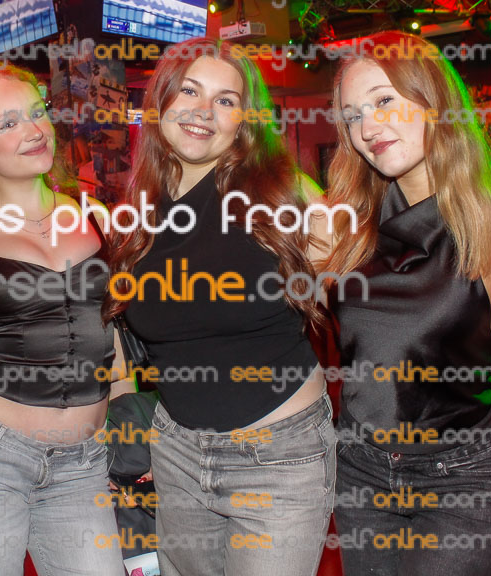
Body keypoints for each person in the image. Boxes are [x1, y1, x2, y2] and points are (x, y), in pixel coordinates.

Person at [319, 30, 491, 576]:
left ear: (435, 99)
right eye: (353, 116)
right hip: (361, 476)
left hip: (467, 480)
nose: (368, 127)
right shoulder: (344, 229)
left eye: (384, 100)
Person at [104, 37, 337, 576]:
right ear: (161, 101)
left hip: (278, 457)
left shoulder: (283, 196)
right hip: (177, 453)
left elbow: (372, 295)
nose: (203, 111)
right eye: (189, 91)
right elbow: (123, 340)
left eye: (225, 100)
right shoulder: (137, 214)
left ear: (244, 120)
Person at [0, 60, 126, 576]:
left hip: (84, 461)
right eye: (8, 123)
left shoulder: (95, 214)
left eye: (37, 112)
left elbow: (113, 332)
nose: (34, 129)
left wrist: (129, 416)